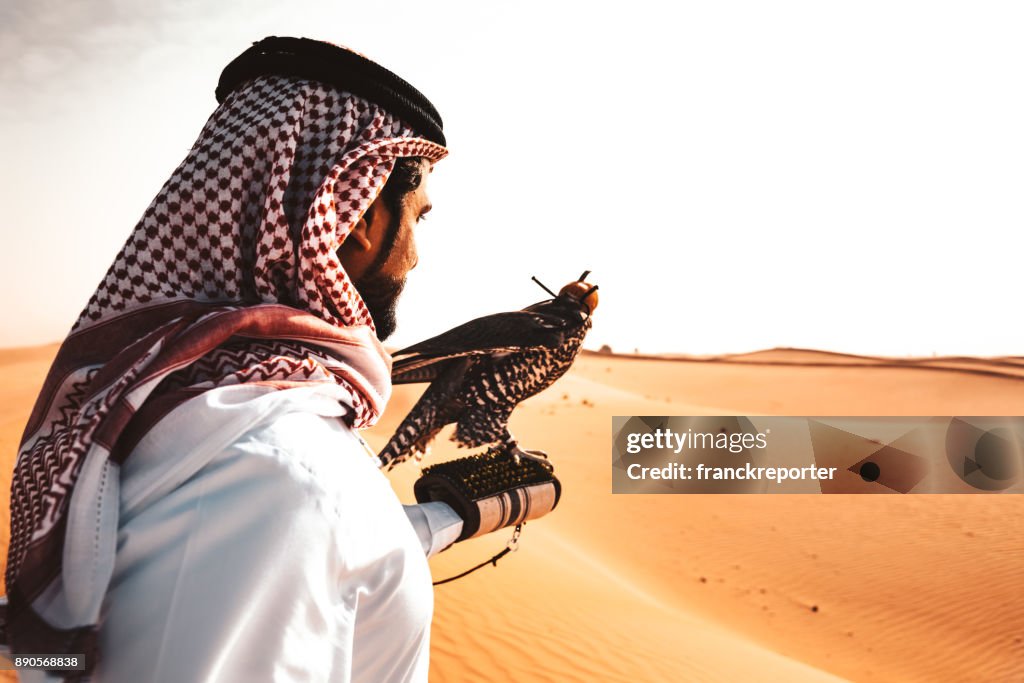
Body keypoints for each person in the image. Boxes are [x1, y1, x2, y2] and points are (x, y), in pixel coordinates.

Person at [5, 37, 468, 682]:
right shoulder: (274, 474)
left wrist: (452, 518)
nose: (416, 253)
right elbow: (294, 524)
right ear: (358, 216)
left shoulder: (177, 403)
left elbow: (332, 556)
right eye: (417, 217)